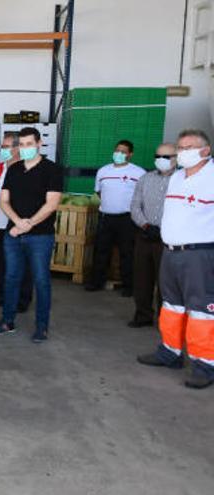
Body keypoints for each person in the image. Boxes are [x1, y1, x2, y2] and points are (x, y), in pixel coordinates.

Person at [137, 129, 214, 389]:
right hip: (171, 251)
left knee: (202, 311)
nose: (182, 152)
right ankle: (170, 351)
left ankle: (204, 363)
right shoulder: (178, 177)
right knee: (172, 306)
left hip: (200, 254)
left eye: (189, 147)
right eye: (180, 148)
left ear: (205, 151)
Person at [0, 127, 63, 343]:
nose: (25, 149)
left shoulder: (52, 170)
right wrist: (18, 222)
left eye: (29, 144)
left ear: (39, 144)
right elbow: (4, 201)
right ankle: (7, 321)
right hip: (14, 234)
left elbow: (51, 205)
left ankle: (42, 327)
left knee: (41, 281)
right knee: (11, 278)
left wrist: (26, 224)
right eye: (21, 145)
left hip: (40, 236)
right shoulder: (14, 170)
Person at [86, 140, 146, 295]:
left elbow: (142, 196)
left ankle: (129, 286)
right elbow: (99, 192)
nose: (119, 154)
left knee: (127, 253)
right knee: (100, 251)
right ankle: (96, 282)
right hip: (106, 217)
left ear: (130, 154)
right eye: (117, 150)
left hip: (127, 219)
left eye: (123, 151)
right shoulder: (103, 171)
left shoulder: (138, 173)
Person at [127, 143, 176, 328]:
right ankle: (143, 315)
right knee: (142, 277)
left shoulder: (181, 180)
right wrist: (145, 225)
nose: (161, 160)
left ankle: (166, 320)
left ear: (176, 158)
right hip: (145, 234)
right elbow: (135, 205)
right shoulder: (145, 179)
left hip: (168, 237)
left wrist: (164, 228)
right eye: (158, 156)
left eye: (166, 157)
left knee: (166, 282)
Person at [0, 133, 32, 310]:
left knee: (21, 264)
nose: (3, 150)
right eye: (2, 147)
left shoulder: (26, 169)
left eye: (7, 147)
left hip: (16, 225)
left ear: (18, 148)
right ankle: (0, 296)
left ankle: (22, 300)